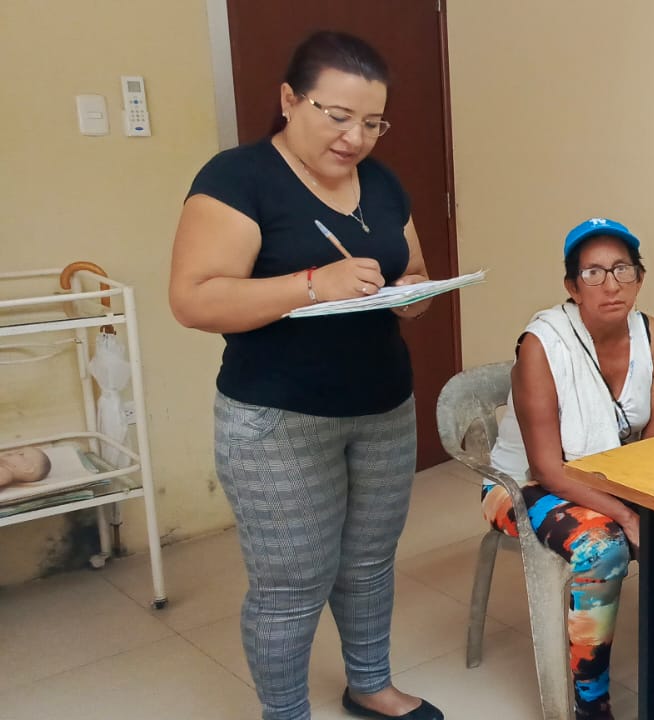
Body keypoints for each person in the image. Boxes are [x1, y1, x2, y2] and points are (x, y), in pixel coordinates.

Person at [168, 31, 442, 720]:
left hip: (383, 405)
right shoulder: (238, 179)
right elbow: (194, 299)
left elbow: (411, 268)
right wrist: (313, 284)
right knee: (291, 584)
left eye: (373, 123)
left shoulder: (382, 183)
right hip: (277, 417)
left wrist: (412, 294)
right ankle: (285, 713)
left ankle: (370, 684)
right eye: (338, 116)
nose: (356, 138)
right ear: (290, 100)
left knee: (370, 561)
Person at [484, 217, 654, 720]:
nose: (611, 285)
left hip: (611, 471)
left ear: (639, 277)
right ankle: (591, 702)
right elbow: (547, 468)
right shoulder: (542, 346)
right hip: (522, 484)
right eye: (593, 273)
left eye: (622, 269)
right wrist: (628, 516)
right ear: (572, 287)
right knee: (603, 546)